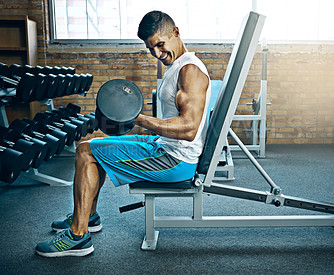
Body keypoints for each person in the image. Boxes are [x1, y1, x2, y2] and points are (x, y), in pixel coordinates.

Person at [36, 10, 211, 257]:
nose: (158, 54)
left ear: (176, 33)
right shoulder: (177, 65)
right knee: (91, 144)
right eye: (151, 49)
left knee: (87, 152)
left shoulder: (189, 71)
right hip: (165, 146)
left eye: (160, 45)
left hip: (175, 160)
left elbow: (189, 128)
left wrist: (136, 118)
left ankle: (78, 236)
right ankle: (88, 216)